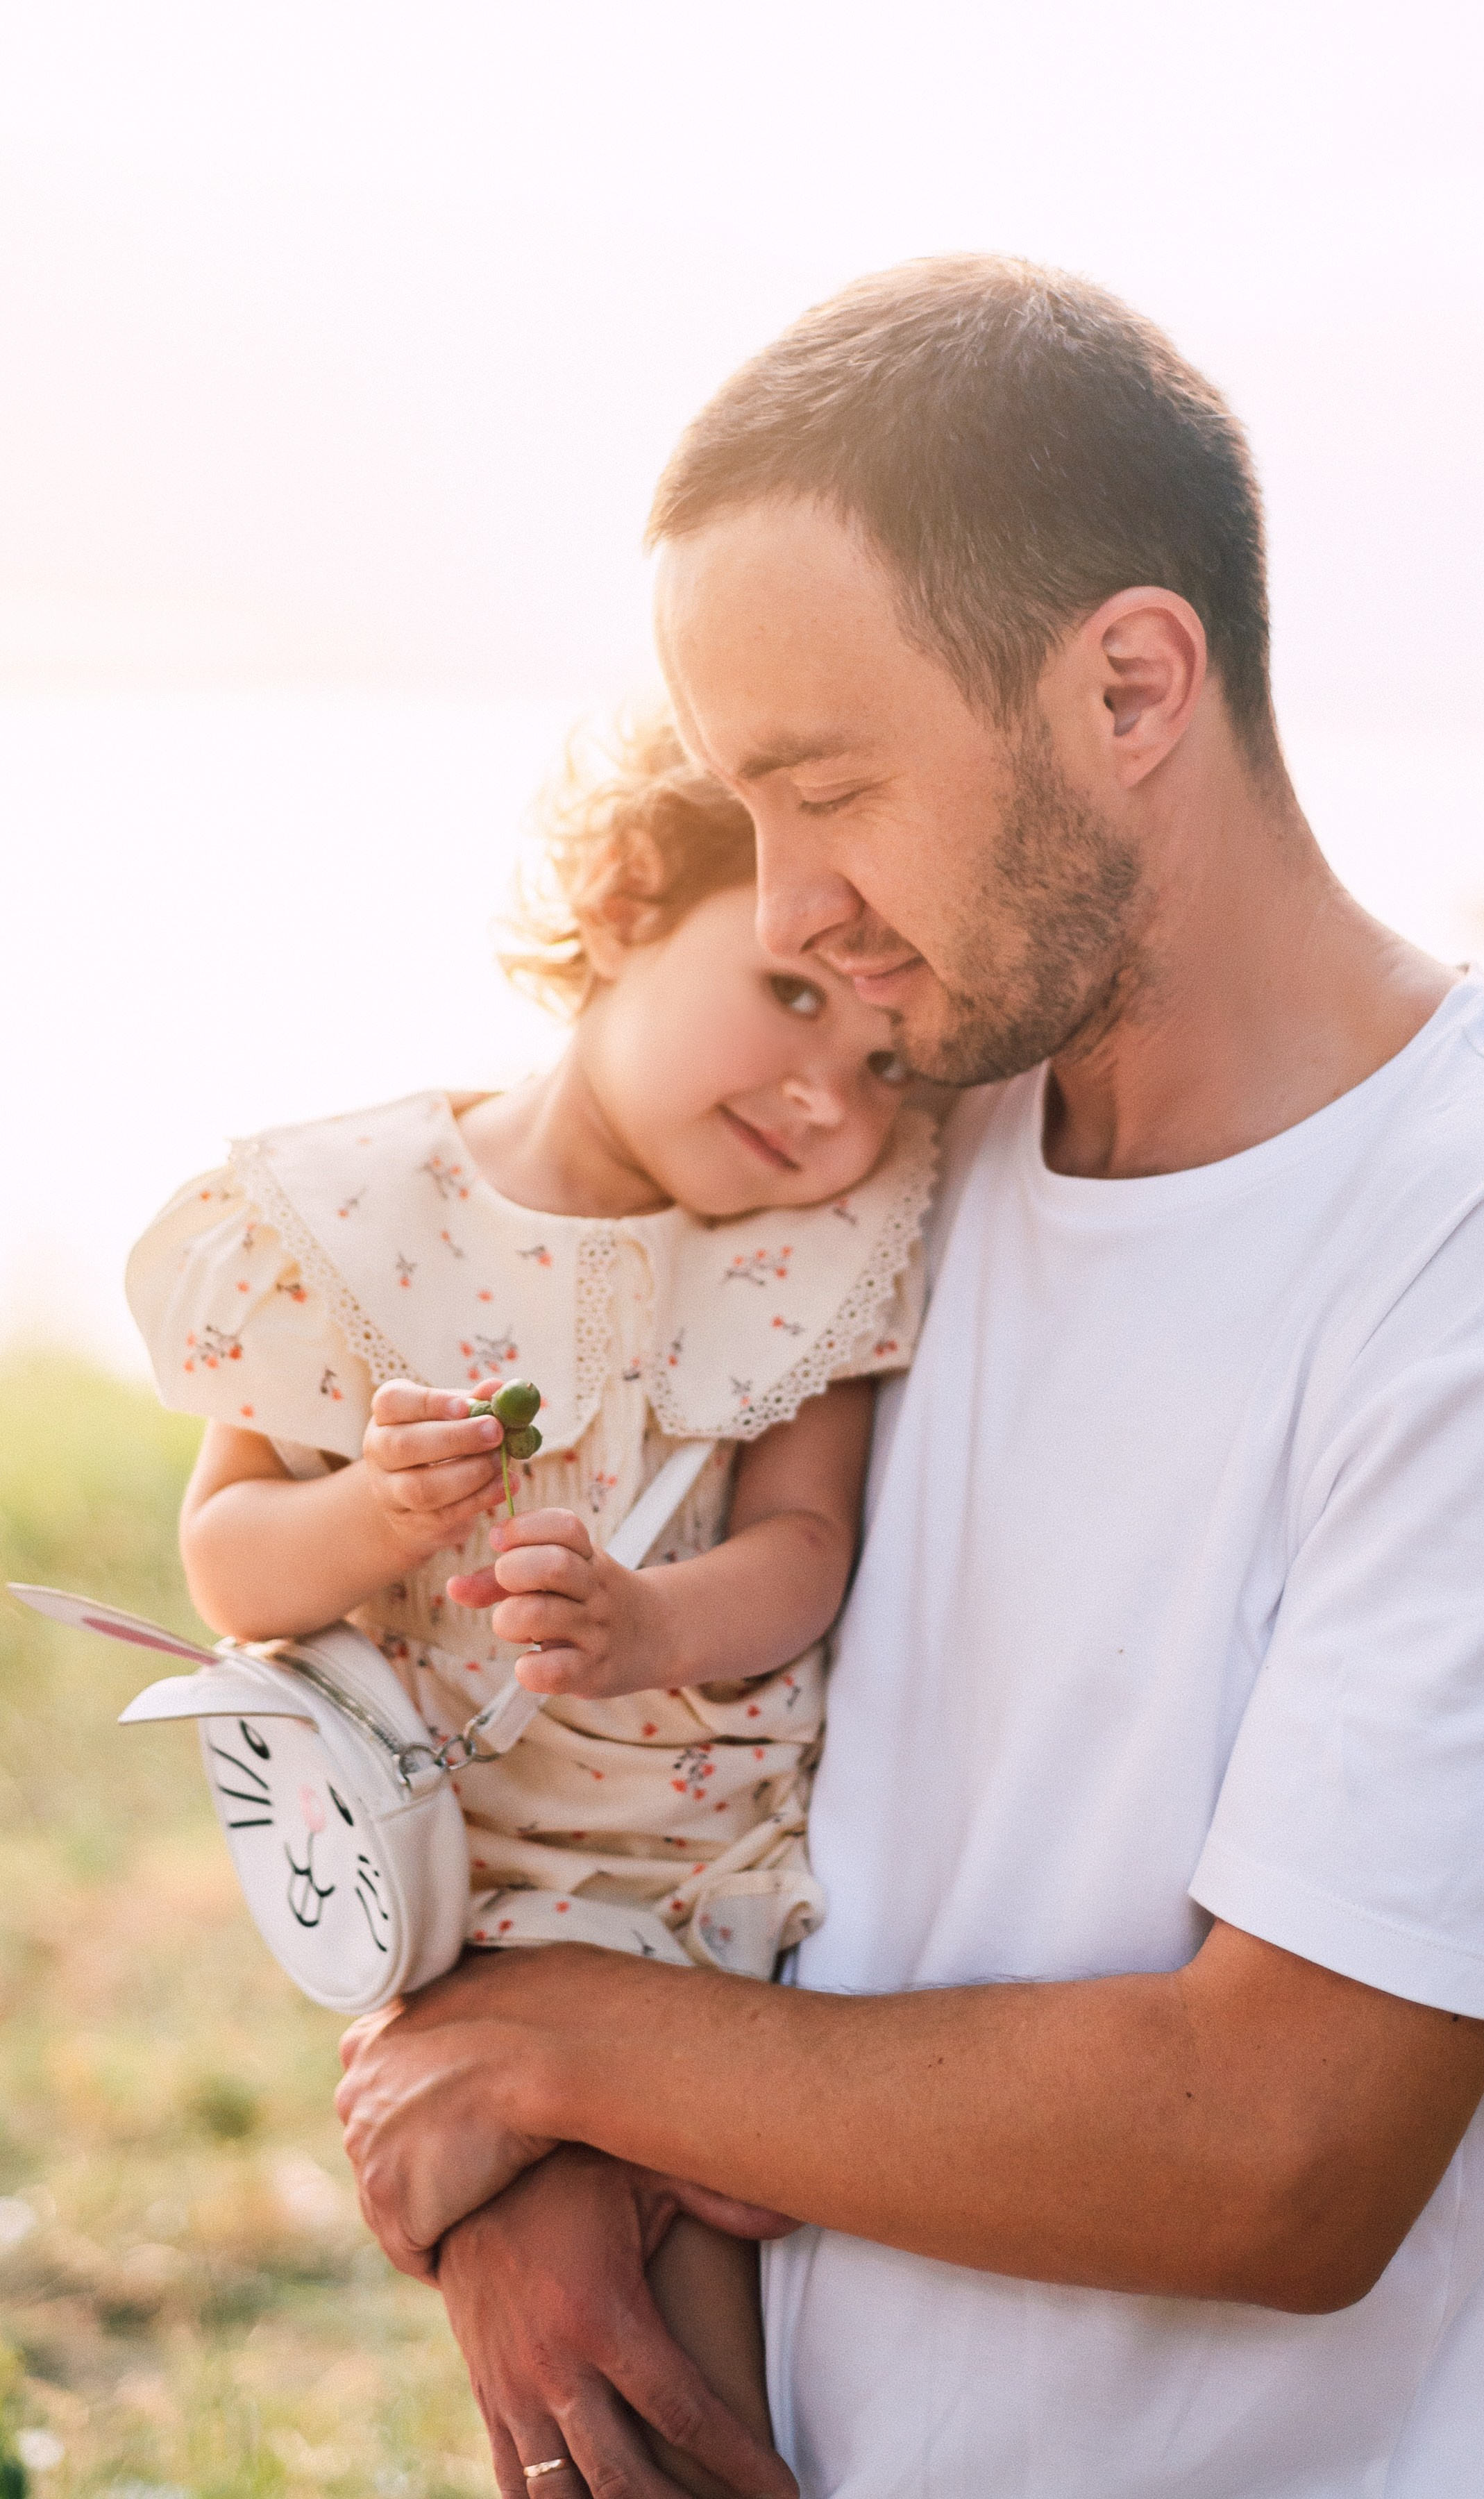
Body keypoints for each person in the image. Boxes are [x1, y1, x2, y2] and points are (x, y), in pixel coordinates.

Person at [334, 258, 1484, 2499]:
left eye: (826, 788)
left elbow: (1276, 2152)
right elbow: (538, 1749)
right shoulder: (879, 1161)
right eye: (739, 811)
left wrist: (565, 2056)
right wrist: (524, 2170)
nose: (782, 908)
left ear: (1132, 684)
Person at [124, 722, 936, 2496]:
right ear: (629, 906)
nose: (832, 1102)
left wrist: (652, 1623)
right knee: (573, 2417)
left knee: (677, 2386)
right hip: (440, 1916)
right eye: (794, 997)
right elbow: (229, 1564)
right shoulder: (350, 1223)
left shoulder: (799, 1266)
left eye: (887, 1064)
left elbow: (805, 1549)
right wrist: (365, 1510)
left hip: (682, 1898)